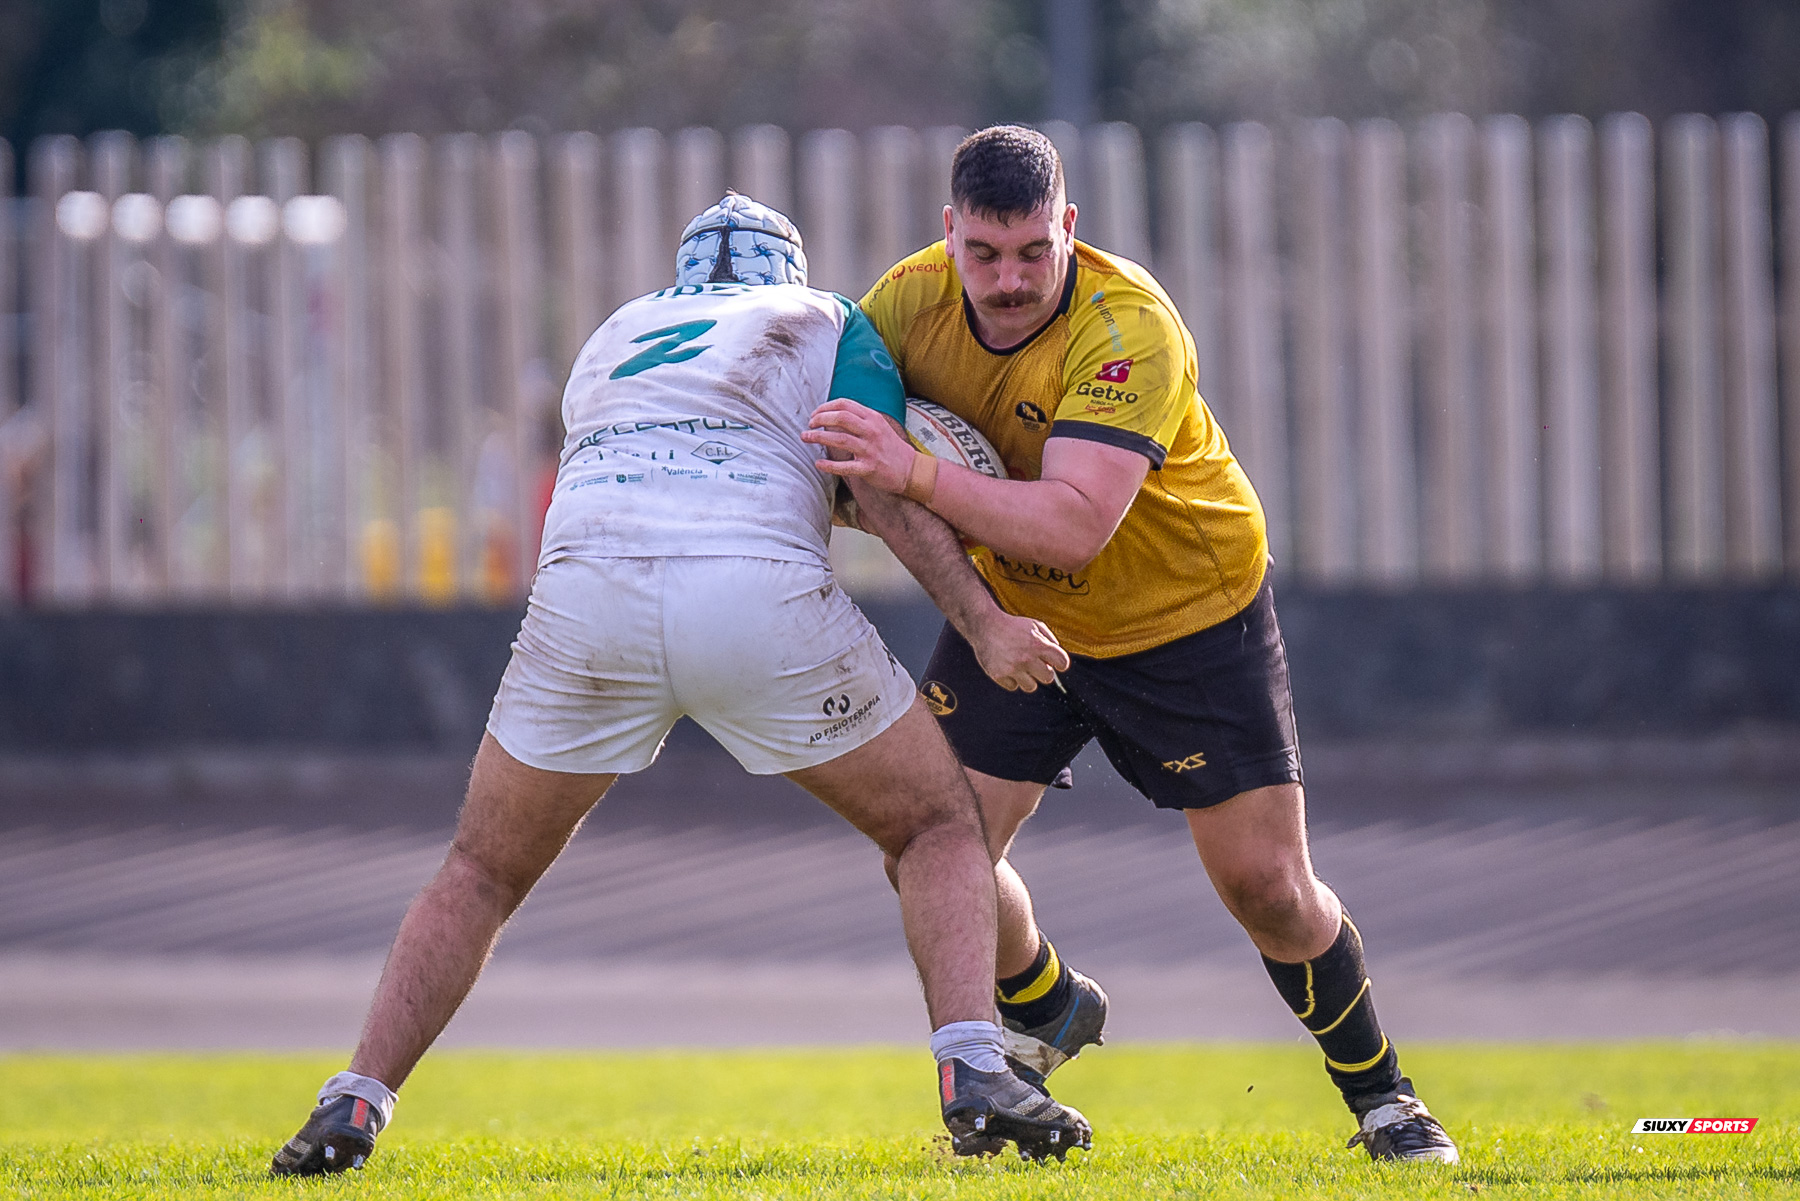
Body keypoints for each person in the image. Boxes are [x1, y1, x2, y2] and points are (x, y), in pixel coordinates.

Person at [270, 193, 1090, 1175]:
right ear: (784, 269)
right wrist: (984, 622)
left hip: (587, 597)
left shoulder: (614, 334)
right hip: (750, 593)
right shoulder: (827, 317)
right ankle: (974, 1071)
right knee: (937, 827)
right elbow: (871, 481)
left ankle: (354, 1099)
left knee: (481, 868)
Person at [805, 126, 1460, 1163]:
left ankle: (1384, 1097)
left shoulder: (1128, 325)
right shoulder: (902, 307)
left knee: (1268, 890)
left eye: (1032, 251)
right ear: (949, 236)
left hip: (1184, 614)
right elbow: (860, 473)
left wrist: (914, 475)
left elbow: (1071, 522)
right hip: (1020, 618)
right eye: (983, 253)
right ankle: (1047, 1004)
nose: (1008, 279)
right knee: (933, 845)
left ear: (1069, 227)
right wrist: (905, 520)